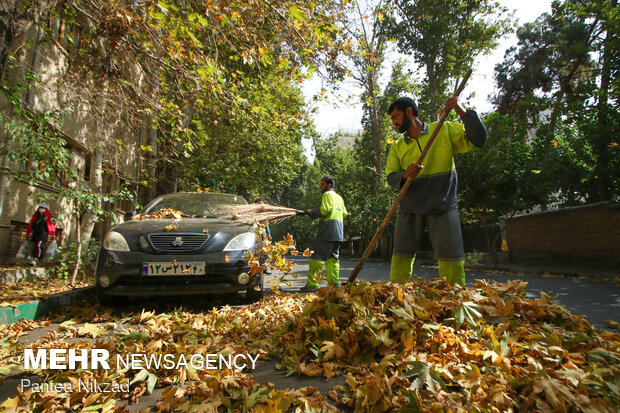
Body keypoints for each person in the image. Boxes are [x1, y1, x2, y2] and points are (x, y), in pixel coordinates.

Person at [386, 96, 487, 286]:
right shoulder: (398, 147)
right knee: (400, 255)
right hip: (410, 208)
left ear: (409, 111)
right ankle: (396, 298)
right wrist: (405, 175)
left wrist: (462, 112)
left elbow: (478, 140)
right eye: (392, 119)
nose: (393, 122)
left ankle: (456, 299)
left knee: (451, 258)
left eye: (395, 117)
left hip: (443, 205)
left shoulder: (443, 129)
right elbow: (390, 177)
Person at [300, 176, 348, 292]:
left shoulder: (327, 195)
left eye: (322, 184)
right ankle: (335, 284)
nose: (320, 187)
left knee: (318, 258)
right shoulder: (339, 198)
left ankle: (312, 284)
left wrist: (311, 212)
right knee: (333, 259)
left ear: (329, 185)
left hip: (327, 231)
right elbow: (345, 213)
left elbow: (325, 210)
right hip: (338, 233)